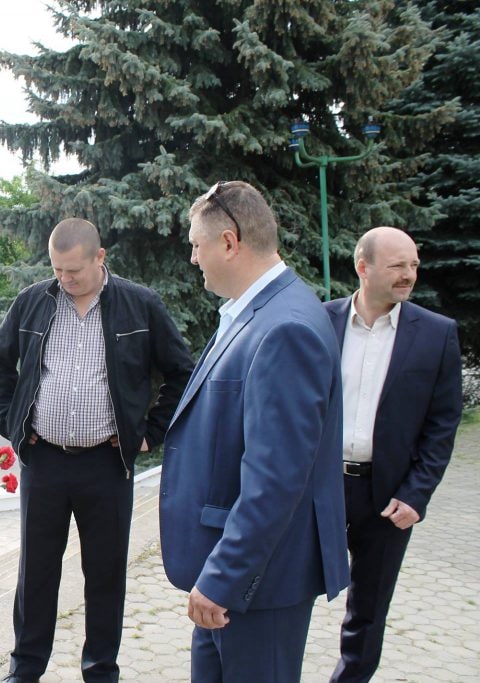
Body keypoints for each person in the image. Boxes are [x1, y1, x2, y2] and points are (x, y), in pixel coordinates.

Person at [0, 217, 194, 682]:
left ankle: (100, 670)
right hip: (43, 460)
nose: (65, 279)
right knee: (36, 572)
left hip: (107, 463)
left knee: (105, 574)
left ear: (100, 257)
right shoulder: (33, 301)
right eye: (57, 270)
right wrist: (10, 422)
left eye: (74, 270)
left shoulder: (140, 305)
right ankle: (25, 668)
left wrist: (150, 433)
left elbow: (182, 371)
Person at [159, 181, 349, 682]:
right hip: (233, 577)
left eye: (196, 245)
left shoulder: (286, 327)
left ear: (229, 242)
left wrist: (223, 577)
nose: (193, 259)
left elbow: (276, 479)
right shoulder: (258, 311)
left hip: (256, 583)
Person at [325, 226, 462, 682]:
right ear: (363, 267)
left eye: (414, 265)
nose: (409, 275)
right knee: (288, 590)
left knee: (368, 610)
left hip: (387, 498)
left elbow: (442, 424)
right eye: (398, 265)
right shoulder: (320, 322)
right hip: (319, 488)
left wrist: (416, 494)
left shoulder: (437, 334)